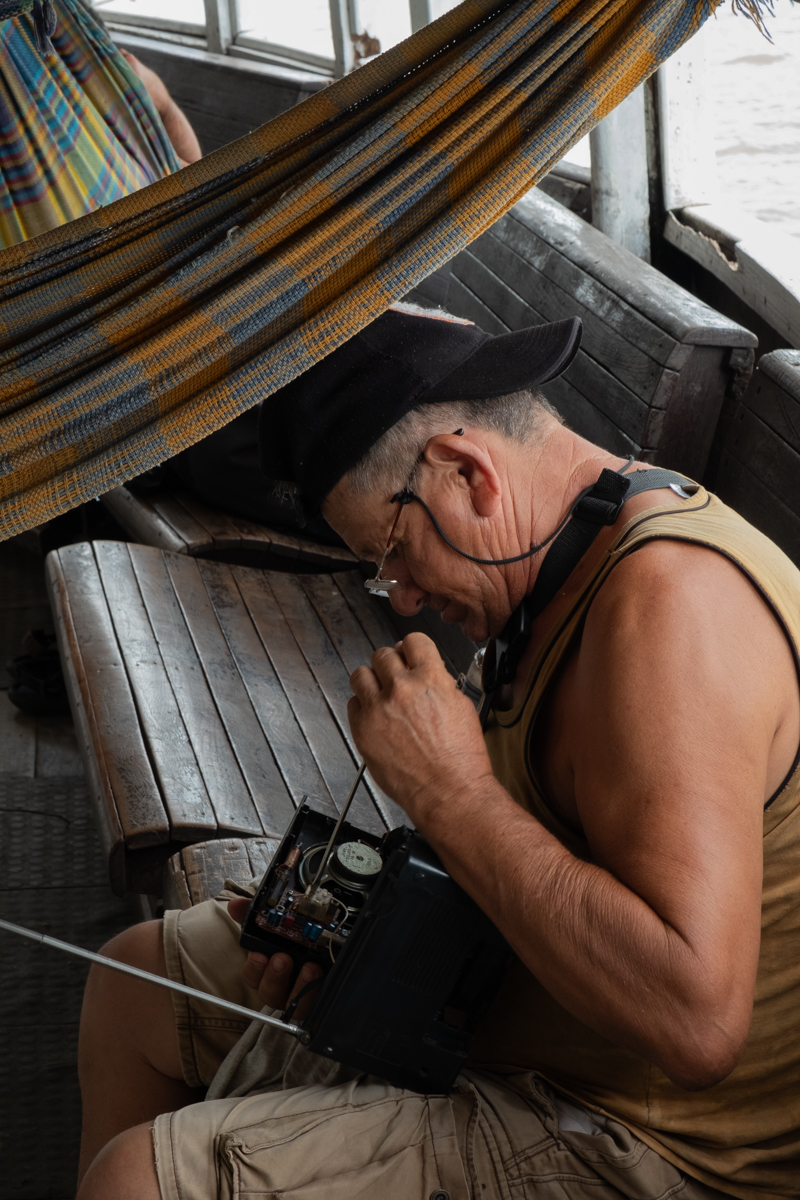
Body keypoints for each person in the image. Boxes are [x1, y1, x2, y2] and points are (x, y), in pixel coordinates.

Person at [74, 305, 800, 1200]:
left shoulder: (671, 612)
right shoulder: (563, 547)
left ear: (466, 473)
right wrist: (358, 922)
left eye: (394, 555)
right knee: (133, 985)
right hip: (508, 1000)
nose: (405, 599)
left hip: (642, 1141)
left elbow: (695, 1020)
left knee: (137, 1181)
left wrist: (452, 791)